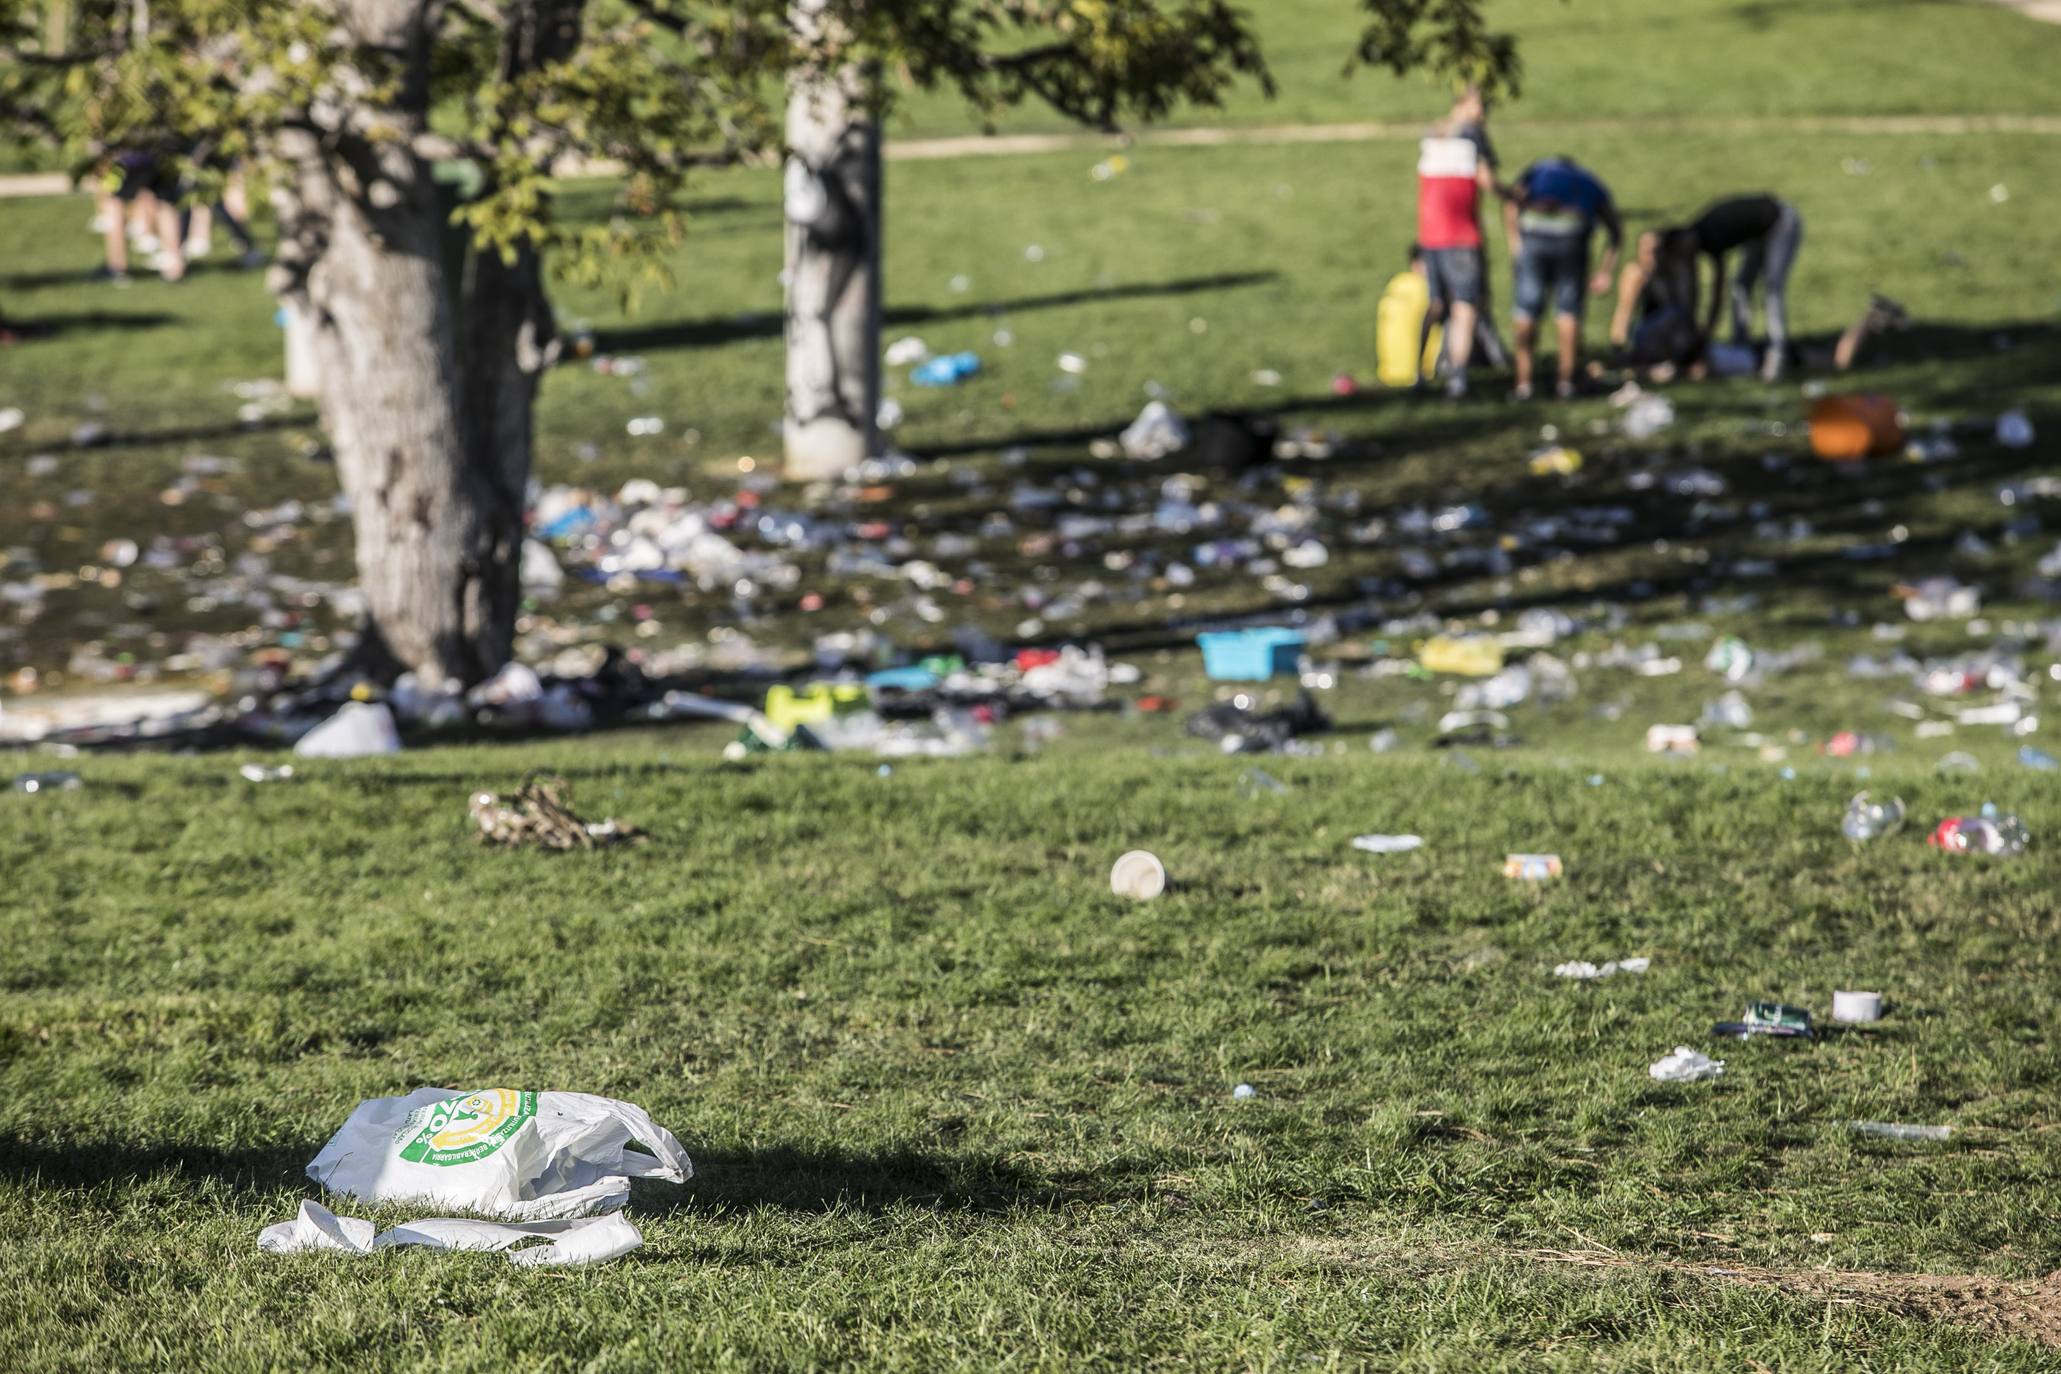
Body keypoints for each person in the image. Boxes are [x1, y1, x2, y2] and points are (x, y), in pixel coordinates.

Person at [1615, 194, 1804, 382]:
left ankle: (1777, 354)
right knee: (1740, 287)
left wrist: (1707, 330)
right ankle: (1741, 344)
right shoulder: (1696, 237)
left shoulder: (1711, 237)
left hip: (1782, 221)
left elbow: (1717, 290)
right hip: (1758, 232)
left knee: (1772, 289)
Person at [1413, 85, 1507, 398]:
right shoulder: (1473, 135)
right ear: (1465, 104)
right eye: (1479, 106)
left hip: (1430, 234)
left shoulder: (1433, 133)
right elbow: (1487, 181)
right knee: (1465, 308)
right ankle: (1459, 378)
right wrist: (1515, 196)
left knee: (1437, 305)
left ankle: (1420, 374)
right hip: (1462, 235)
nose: (1482, 114)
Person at [1502, 155, 1621, 399]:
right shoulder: (1588, 179)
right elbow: (1615, 229)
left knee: (1527, 308)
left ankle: (1523, 385)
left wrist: (1515, 245)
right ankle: (1565, 383)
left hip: (1534, 234)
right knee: (1568, 311)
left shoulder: (1536, 171)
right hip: (1573, 236)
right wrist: (1605, 270)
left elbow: (1512, 202)